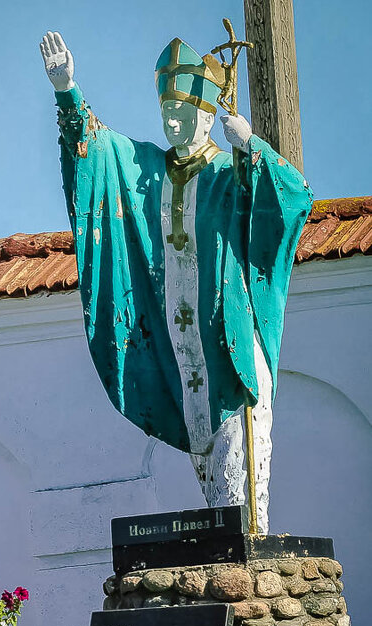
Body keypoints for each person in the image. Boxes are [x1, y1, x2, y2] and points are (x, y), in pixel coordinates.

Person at [40, 31, 312, 533]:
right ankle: (228, 563)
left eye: (184, 113)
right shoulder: (146, 170)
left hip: (231, 349)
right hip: (182, 352)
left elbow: (293, 201)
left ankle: (250, 563)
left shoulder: (231, 176)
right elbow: (97, 150)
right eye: (167, 112)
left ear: (208, 117)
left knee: (243, 483)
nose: (173, 122)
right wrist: (67, 91)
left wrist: (251, 146)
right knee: (214, 487)